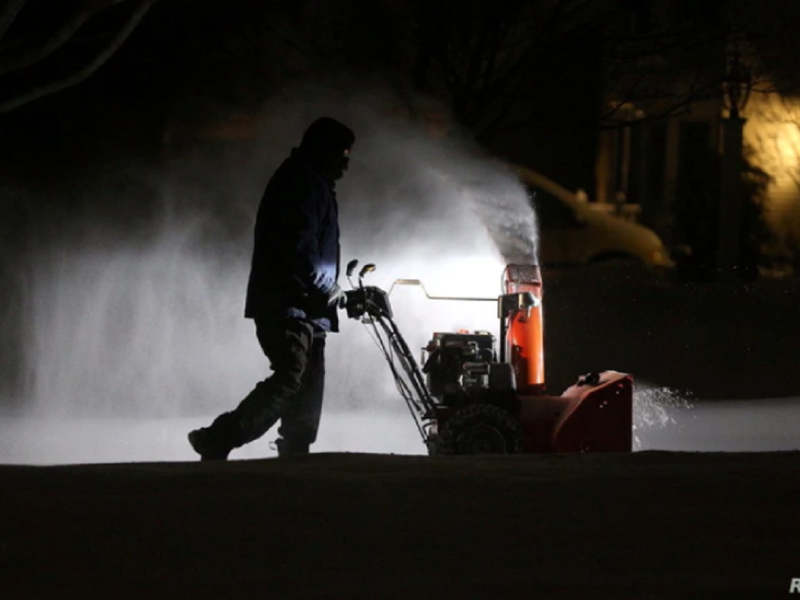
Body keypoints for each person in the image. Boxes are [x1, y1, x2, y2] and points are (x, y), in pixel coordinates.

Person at [188, 116, 355, 460]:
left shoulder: (313, 183)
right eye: (342, 152)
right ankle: (218, 438)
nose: (346, 161)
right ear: (322, 150)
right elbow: (297, 247)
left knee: (308, 380)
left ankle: (295, 450)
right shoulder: (302, 183)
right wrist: (328, 288)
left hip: (307, 307)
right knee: (292, 375)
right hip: (288, 302)